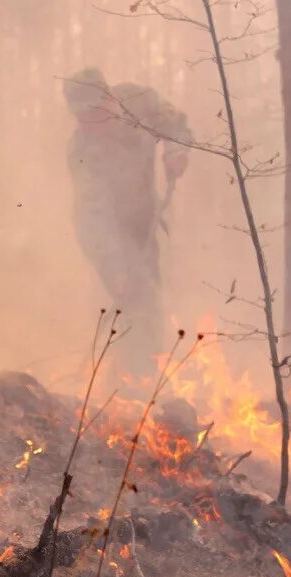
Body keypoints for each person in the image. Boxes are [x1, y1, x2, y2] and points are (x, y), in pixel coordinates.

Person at [63, 68, 191, 381]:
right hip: (111, 235)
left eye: (93, 112)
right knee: (136, 300)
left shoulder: (139, 99)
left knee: (150, 299)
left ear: (108, 97)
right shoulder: (83, 150)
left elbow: (174, 120)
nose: (89, 122)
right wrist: (115, 267)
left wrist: (176, 149)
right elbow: (92, 216)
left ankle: (143, 377)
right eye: (81, 117)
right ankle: (135, 383)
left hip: (144, 221)